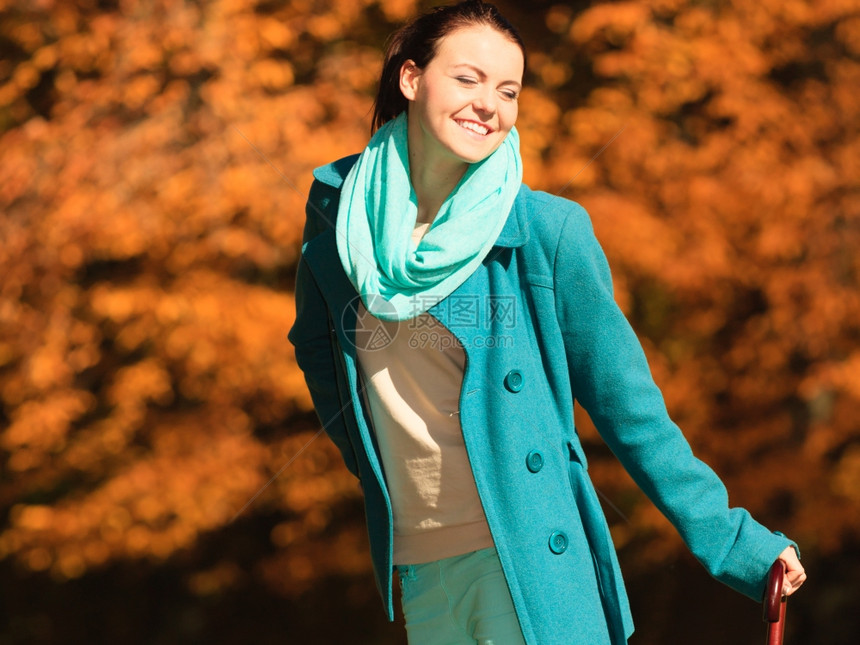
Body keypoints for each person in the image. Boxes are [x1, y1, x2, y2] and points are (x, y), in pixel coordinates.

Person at [288, 1, 806, 643]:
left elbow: (632, 410)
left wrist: (739, 545)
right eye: (468, 79)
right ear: (412, 79)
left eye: (508, 91)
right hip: (421, 566)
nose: (490, 104)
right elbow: (318, 346)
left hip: (529, 562)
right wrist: (374, 468)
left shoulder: (544, 234)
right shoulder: (344, 215)